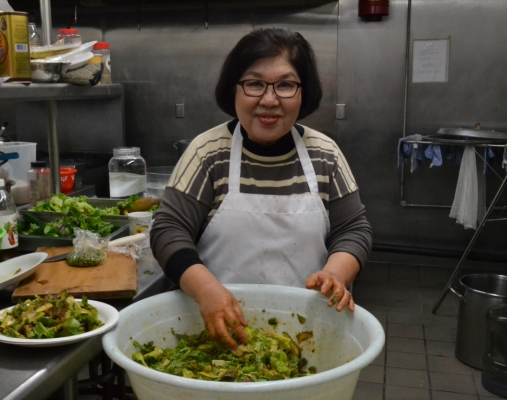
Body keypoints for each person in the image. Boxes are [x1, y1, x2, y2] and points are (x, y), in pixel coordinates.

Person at [150, 27, 372, 350]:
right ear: (234, 89)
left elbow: (353, 229)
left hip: (306, 334)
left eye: (285, 85)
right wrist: (206, 291)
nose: (269, 100)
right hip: (216, 334)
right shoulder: (208, 153)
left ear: (303, 92)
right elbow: (169, 229)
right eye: (254, 84)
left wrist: (336, 274)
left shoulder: (325, 155)